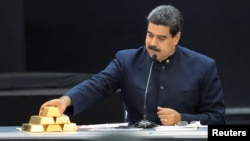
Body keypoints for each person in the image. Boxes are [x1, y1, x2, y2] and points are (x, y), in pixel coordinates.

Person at [39, 5, 225, 126]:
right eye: (149, 34)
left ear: (176, 38)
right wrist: (65, 101)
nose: (152, 43)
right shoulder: (126, 60)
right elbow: (98, 84)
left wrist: (182, 119)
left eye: (161, 38)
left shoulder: (203, 66)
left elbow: (217, 118)